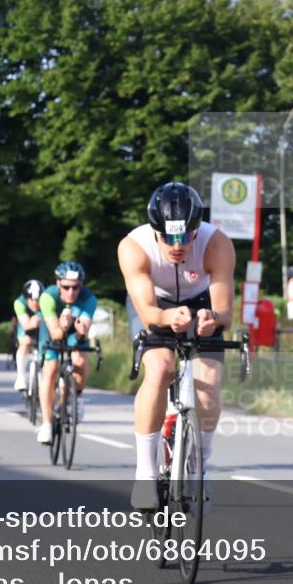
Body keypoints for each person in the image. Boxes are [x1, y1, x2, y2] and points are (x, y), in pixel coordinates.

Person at [117, 182, 236, 509]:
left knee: (208, 387)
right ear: (155, 230)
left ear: (196, 229)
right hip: (155, 303)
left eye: (185, 236)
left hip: (201, 303)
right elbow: (148, 312)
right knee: (160, 370)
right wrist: (167, 318)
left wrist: (213, 319)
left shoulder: (217, 243)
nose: (177, 245)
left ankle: (200, 466)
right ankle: (145, 471)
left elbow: (226, 311)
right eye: (168, 237)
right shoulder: (134, 247)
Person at [35, 261, 97, 445]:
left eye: (76, 287)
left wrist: (80, 331)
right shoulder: (48, 297)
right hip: (53, 329)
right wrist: (62, 325)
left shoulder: (88, 298)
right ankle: (46, 424)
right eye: (66, 287)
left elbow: (83, 331)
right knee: (51, 369)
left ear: (82, 285)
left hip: (75, 333)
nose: (71, 292)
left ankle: (75, 396)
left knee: (79, 360)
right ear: (58, 283)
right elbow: (55, 333)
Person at [12, 280, 44, 391]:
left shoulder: (47, 301)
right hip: (27, 326)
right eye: (32, 300)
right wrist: (33, 322)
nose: (35, 303)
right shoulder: (19, 303)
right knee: (25, 341)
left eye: (38, 300)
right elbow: (25, 324)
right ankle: (20, 377)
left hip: (43, 328)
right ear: (26, 299)